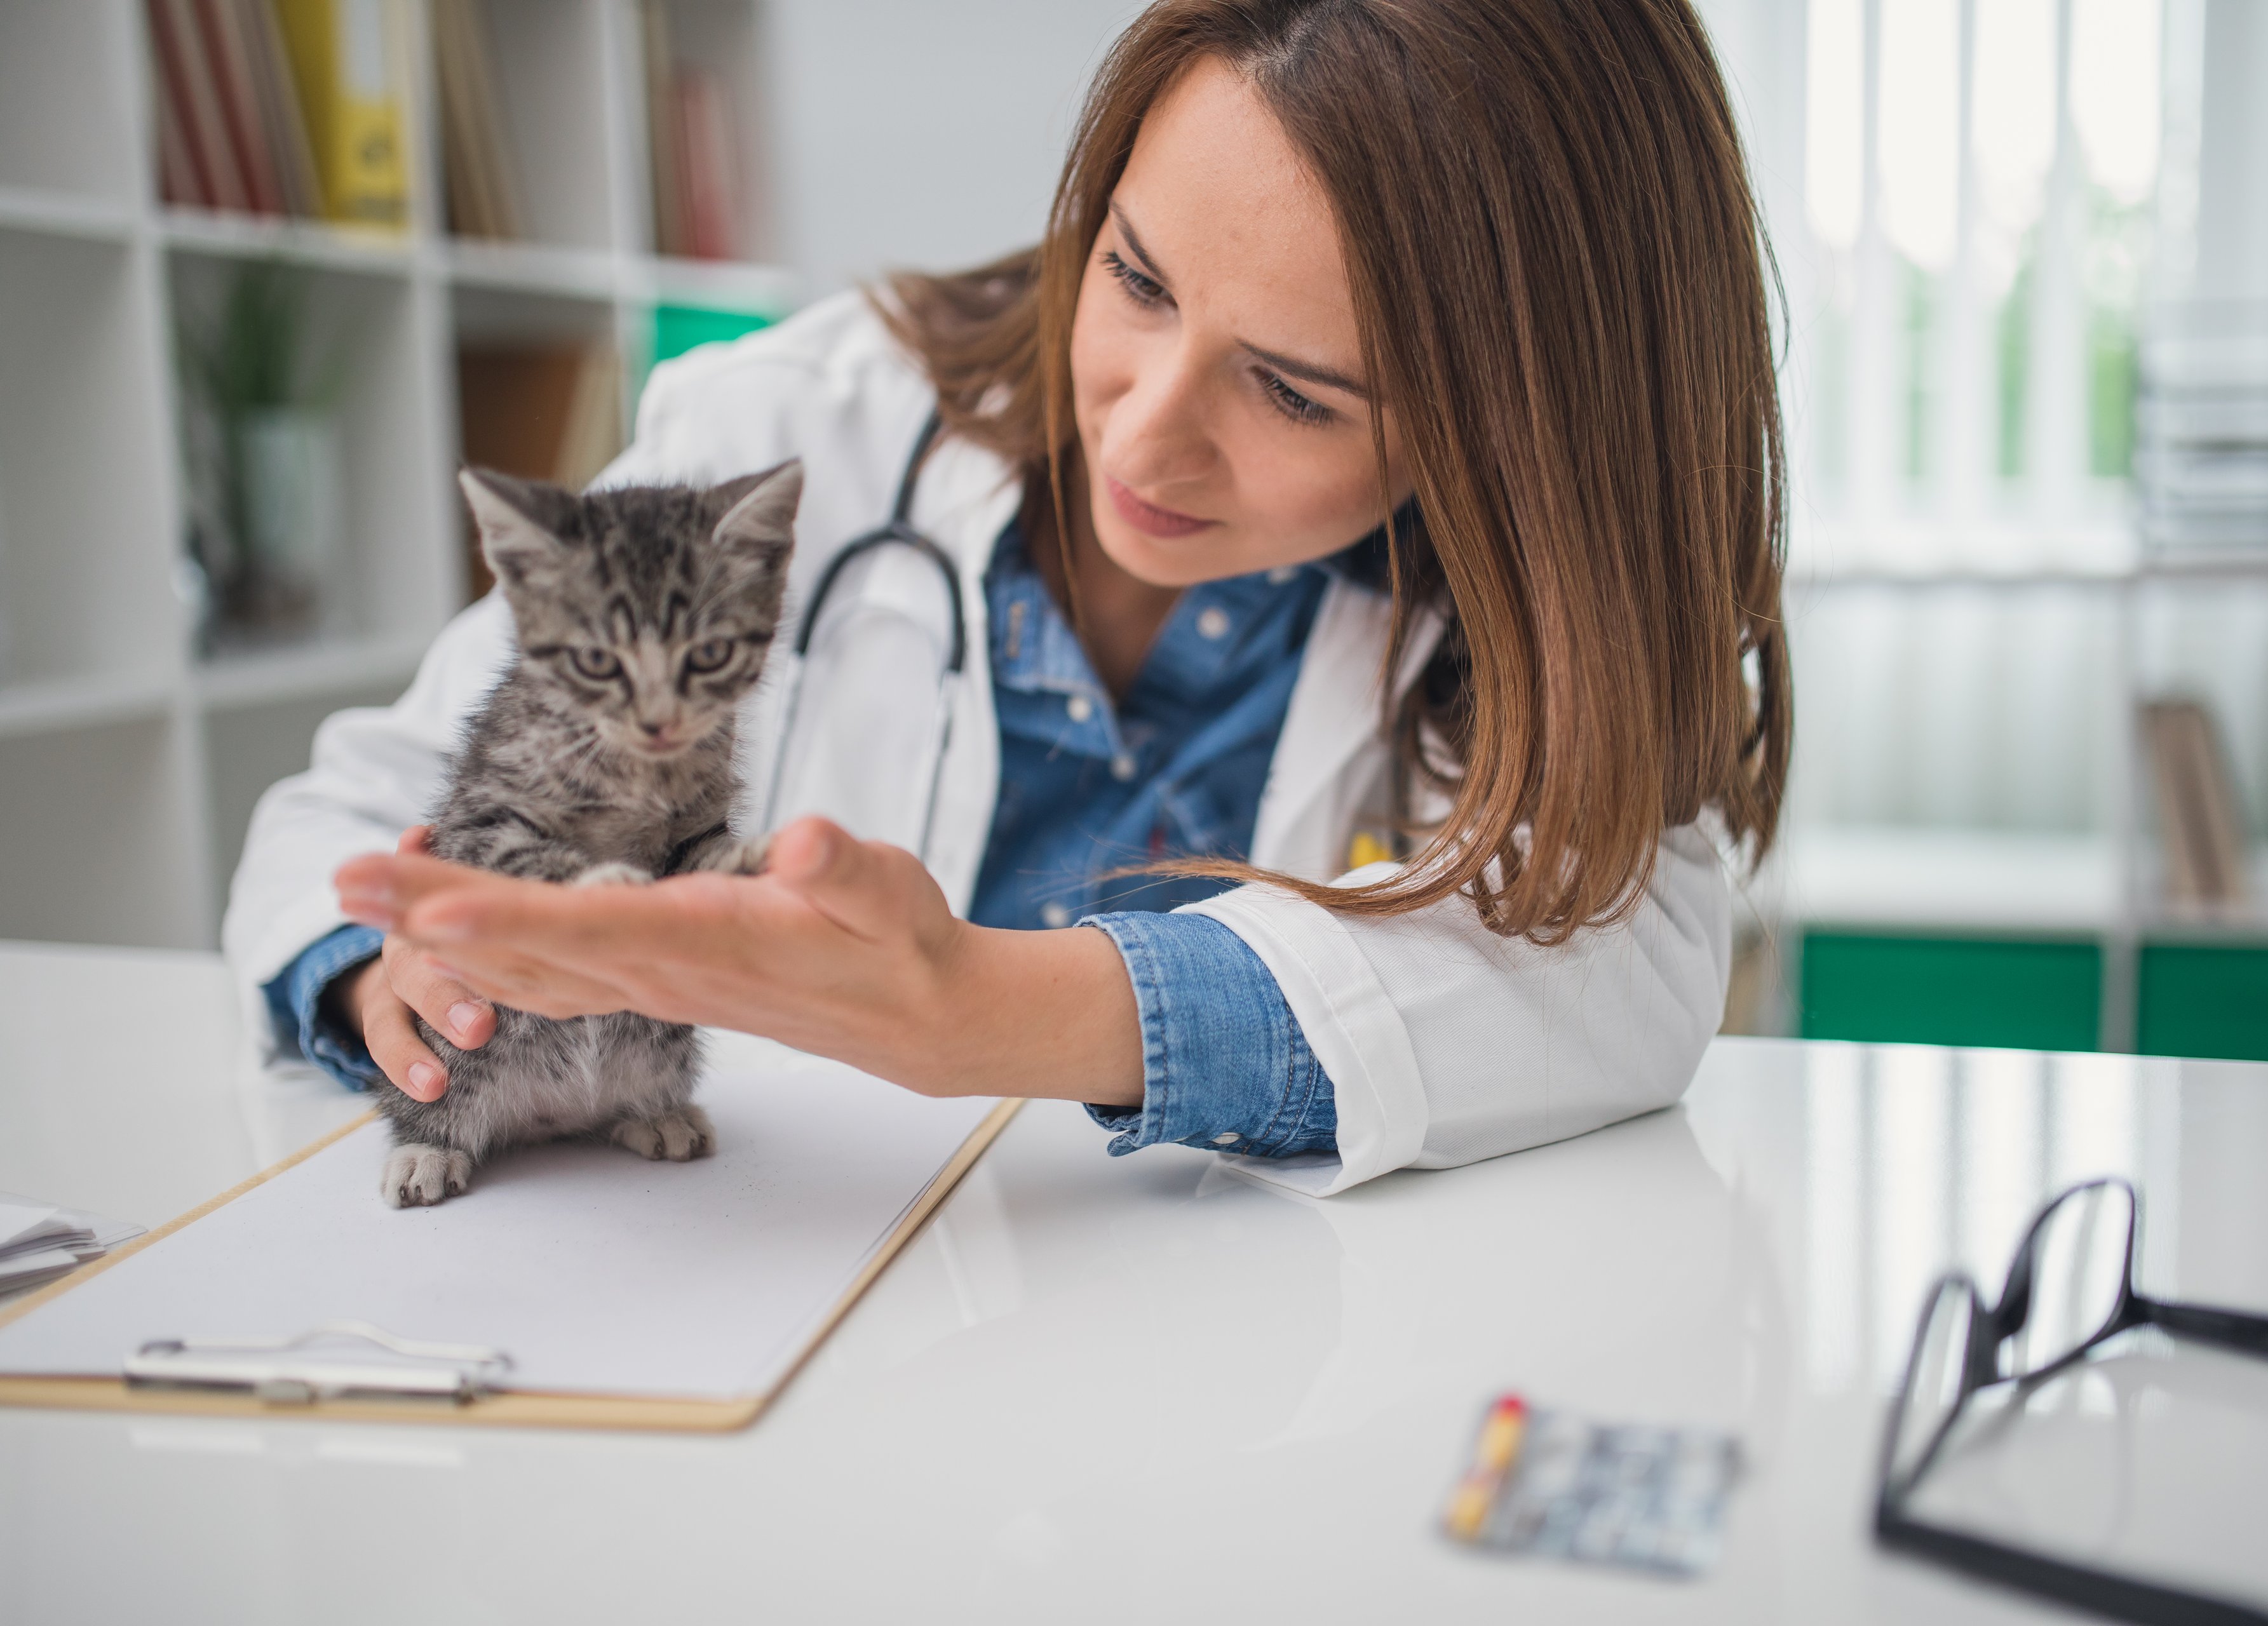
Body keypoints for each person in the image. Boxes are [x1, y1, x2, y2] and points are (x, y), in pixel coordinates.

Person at [226, 0, 1790, 1198]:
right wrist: (393, 980)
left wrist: (996, 1008)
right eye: (1137, 278)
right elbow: (343, 814)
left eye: (1299, 395)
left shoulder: (1502, 599)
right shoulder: (784, 434)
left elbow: (1629, 963)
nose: (1144, 427)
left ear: (1511, 431)